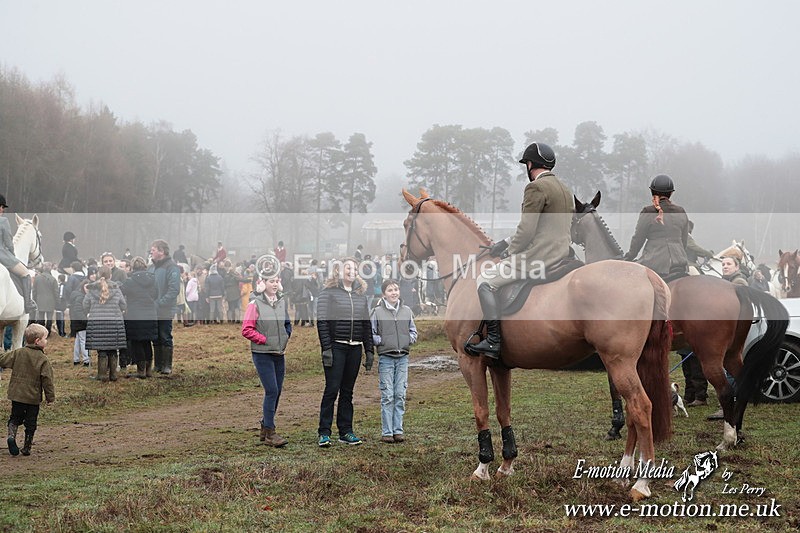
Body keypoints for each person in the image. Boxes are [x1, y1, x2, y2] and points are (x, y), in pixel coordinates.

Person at [467, 142, 574, 359]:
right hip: (562, 253)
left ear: (530, 164)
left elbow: (526, 231)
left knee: (485, 280)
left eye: (526, 163)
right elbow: (544, 228)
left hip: (539, 256)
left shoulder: (535, 187)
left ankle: (494, 342)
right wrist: (504, 242)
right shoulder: (564, 188)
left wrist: (511, 251)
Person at [315, 257, 374, 447]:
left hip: (355, 348)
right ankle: (324, 432)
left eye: (354, 268)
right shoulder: (328, 293)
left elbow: (366, 324)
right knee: (332, 390)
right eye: (347, 267)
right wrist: (327, 349)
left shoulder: (360, 294)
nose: (351, 271)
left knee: (347, 392)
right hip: (336, 347)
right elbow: (322, 322)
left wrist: (369, 349)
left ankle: (346, 431)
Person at [241, 274, 292, 447]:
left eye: (277, 281)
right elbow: (246, 329)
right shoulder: (254, 304)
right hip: (262, 353)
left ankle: (265, 426)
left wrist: (285, 337)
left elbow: (287, 323)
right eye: (271, 281)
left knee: (276, 392)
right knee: (271, 390)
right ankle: (270, 432)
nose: (275, 284)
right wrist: (264, 340)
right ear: (262, 284)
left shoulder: (281, 302)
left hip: (279, 353)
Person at [370, 280, 417, 443]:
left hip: (403, 357)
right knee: (388, 395)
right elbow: (372, 333)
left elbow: (413, 331)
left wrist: (407, 340)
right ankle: (387, 432)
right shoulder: (377, 312)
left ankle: (398, 430)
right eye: (390, 290)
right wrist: (382, 341)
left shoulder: (406, 311)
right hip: (386, 358)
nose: (394, 292)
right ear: (384, 294)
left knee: (400, 394)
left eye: (396, 289)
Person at [1, 323, 55, 457]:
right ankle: (26, 447)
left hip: (17, 395)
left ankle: (11, 436)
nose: (46, 341)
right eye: (45, 338)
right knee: (31, 423)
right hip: (32, 398)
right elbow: (47, 380)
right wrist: (50, 398)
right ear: (38, 341)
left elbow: (2, 360)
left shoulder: (18, 353)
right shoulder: (43, 360)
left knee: (15, 418)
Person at [624, 174, 690, 282]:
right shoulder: (681, 211)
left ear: (652, 192)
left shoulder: (648, 211)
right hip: (680, 263)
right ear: (671, 193)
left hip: (655, 262)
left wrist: (628, 258)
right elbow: (684, 241)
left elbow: (638, 239)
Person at [84, 266, 127, 382]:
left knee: (102, 350)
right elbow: (123, 304)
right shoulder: (116, 288)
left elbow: (85, 305)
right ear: (111, 275)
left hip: (97, 323)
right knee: (113, 349)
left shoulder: (92, 289)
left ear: (98, 275)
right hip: (114, 323)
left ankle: (102, 375)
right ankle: (113, 375)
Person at [121, 257, 158, 378]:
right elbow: (155, 294)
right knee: (147, 342)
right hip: (150, 314)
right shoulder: (152, 279)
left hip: (135, 315)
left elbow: (122, 292)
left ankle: (140, 371)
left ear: (132, 267)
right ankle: (148, 370)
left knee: (137, 342)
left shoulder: (129, 281)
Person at [0, 194, 38, 313]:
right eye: (2, 207)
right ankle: (28, 304)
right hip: (3, 256)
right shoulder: (3, 221)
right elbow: (9, 242)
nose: (2, 210)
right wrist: (12, 255)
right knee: (26, 273)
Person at [148, 240, 181, 375]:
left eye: (153, 250)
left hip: (165, 309)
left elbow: (174, 289)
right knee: (155, 337)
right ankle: (158, 365)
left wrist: (160, 302)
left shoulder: (171, 267)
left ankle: (167, 365)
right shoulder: (151, 267)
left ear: (162, 251)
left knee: (165, 335)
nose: (151, 252)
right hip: (151, 309)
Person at [68, 279, 91, 367]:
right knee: (83, 340)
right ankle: (86, 360)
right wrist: (86, 321)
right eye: (86, 287)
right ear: (82, 287)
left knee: (78, 341)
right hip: (81, 322)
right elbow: (78, 311)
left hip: (77, 321)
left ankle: (76, 359)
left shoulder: (78, 295)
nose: (88, 289)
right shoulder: (81, 297)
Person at [32, 263, 58, 332]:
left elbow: (34, 291)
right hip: (51, 301)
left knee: (40, 316)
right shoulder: (53, 279)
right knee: (49, 318)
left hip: (39, 300)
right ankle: (48, 331)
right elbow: (56, 293)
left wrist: (34, 300)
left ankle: (41, 331)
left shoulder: (37, 278)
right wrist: (57, 302)